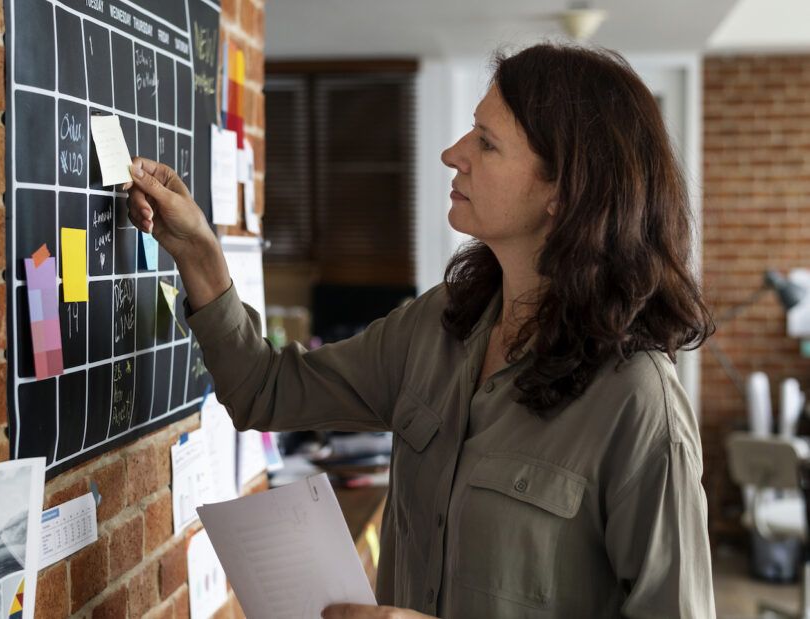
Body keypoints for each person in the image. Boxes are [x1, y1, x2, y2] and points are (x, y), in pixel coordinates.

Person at [125, 43, 716, 618]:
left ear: (563, 192)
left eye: (486, 144)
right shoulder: (440, 325)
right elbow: (265, 389)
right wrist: (199, 253)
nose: (452, 154)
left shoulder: (639, 405)